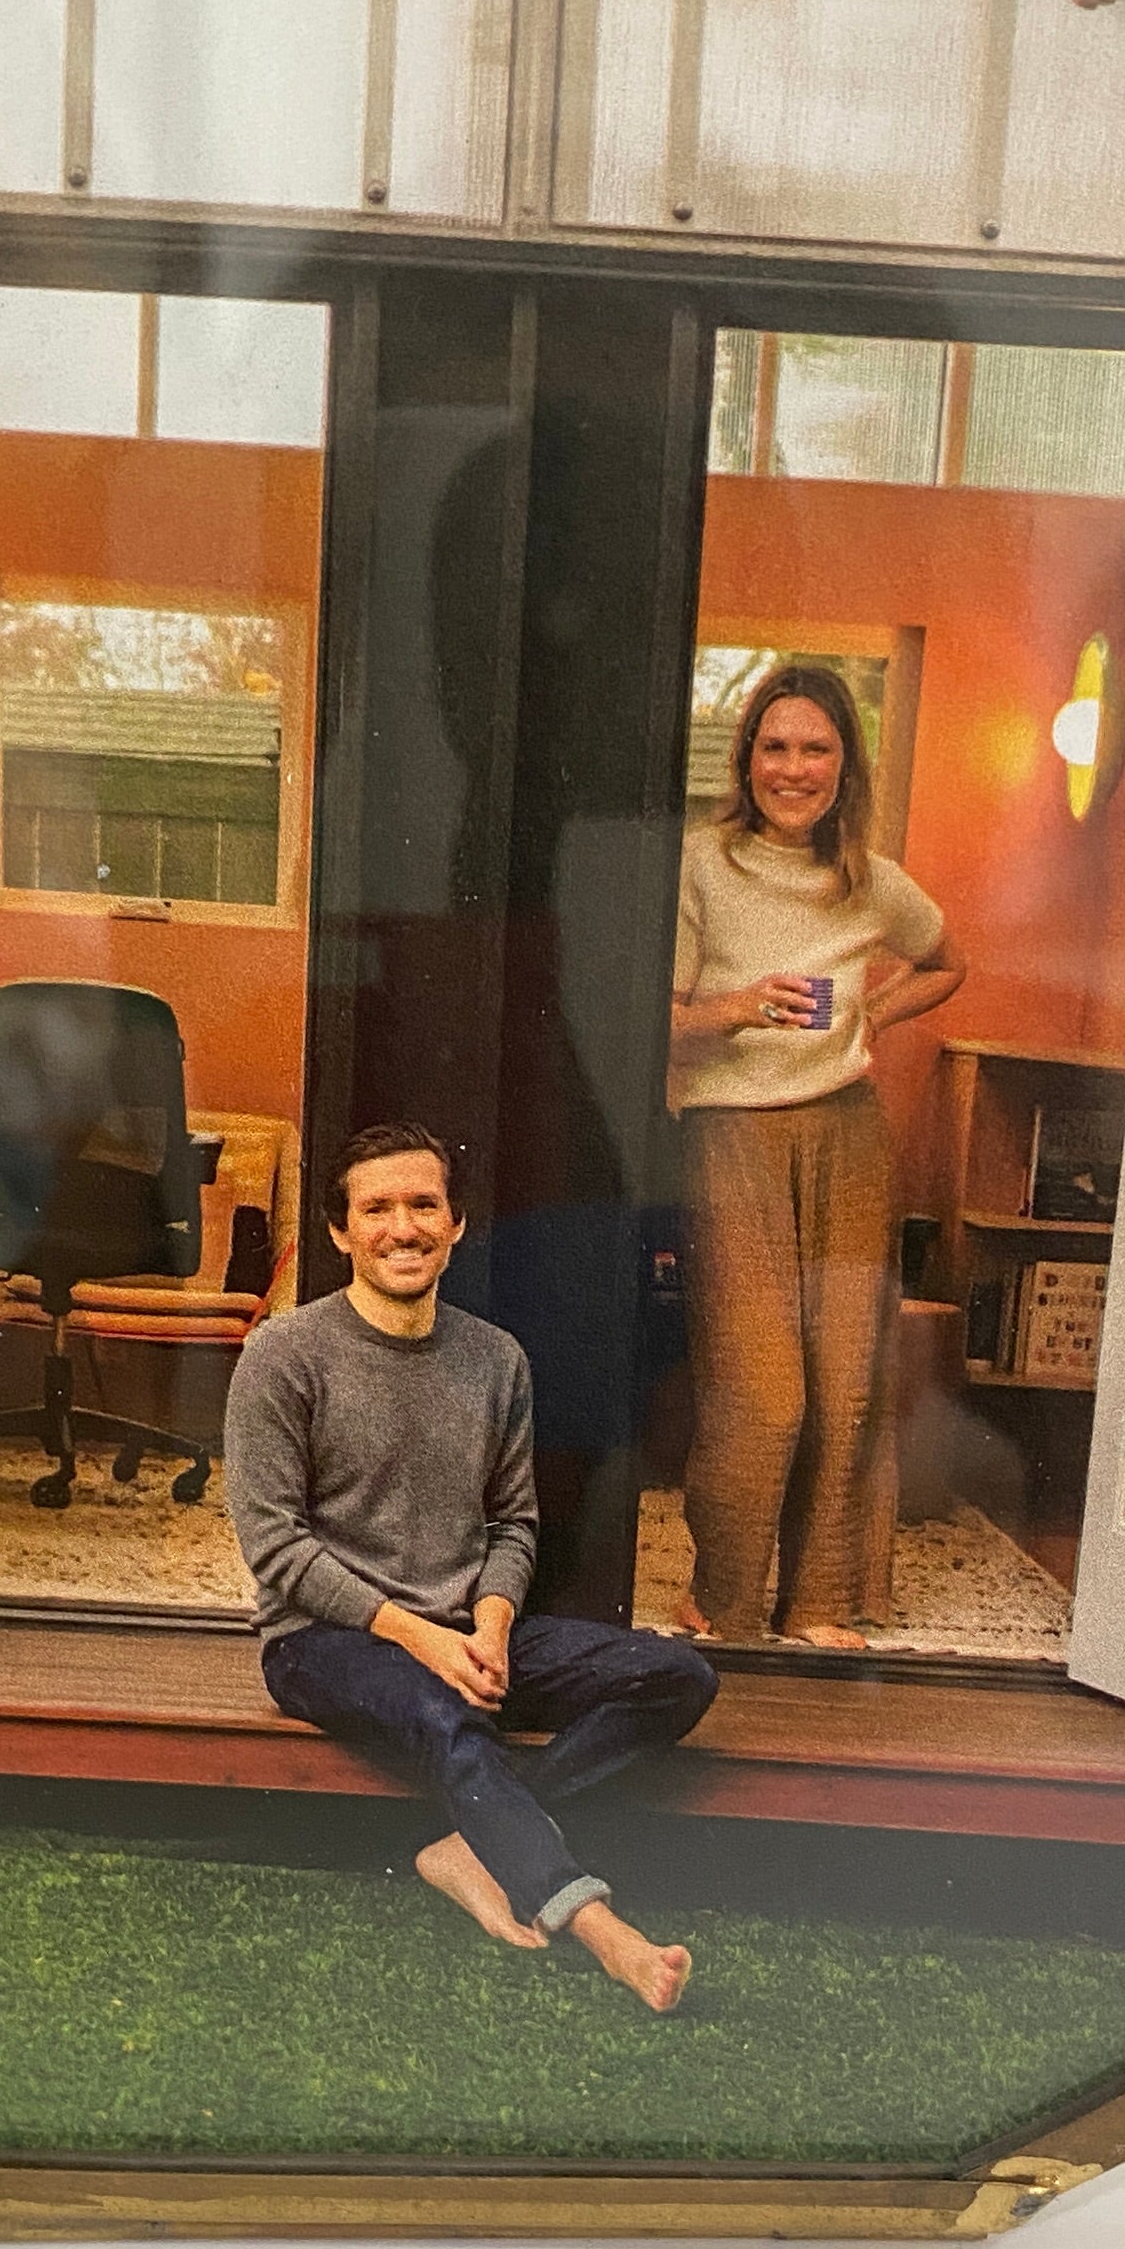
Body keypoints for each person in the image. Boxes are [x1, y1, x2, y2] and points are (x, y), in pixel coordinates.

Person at [224, 1123, 718, 2013]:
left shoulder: (496, 1359)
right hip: (323, 1641)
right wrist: (423, 1640)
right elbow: (277, 1545)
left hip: (466, 1630)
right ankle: (599, 1927)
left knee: (675, 1675)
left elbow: (512, 1524)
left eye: (424, 1206)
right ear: (340, 1231)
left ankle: (470, 1844)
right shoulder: (284, 1356)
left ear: (455, 1226)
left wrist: (490, 1625)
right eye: (377, 1208)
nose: (402, 1228)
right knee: (443, 1710)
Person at [663, 663, 968, 1646]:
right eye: (776, 746)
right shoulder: (701, 864)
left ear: (845, 766)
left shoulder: (872, 880)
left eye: (816, 749)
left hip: (847, 1130)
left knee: (846, 1385)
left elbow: (947, 962)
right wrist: (740, 1006)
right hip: (732, 1134)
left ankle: (820, 1601)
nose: (793, 769)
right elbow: (658, 1021)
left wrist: (874, 1012)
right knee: (764, 1391)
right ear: (746, 758)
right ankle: (722, 1599)